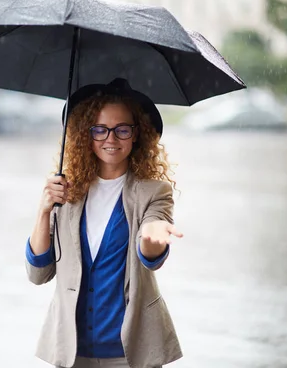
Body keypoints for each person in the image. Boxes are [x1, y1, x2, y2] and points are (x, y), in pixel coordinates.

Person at [25, 78, 184, 368]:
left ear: (137, 134)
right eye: (100, 129)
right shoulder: (66, 191)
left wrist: (150, 238)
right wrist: (44, 210)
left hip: (132, 351)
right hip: (71, 349)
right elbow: (38, 274)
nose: (111, 139)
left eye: (122, 129)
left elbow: (151, 258)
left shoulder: (155, 191)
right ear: (87, 134)